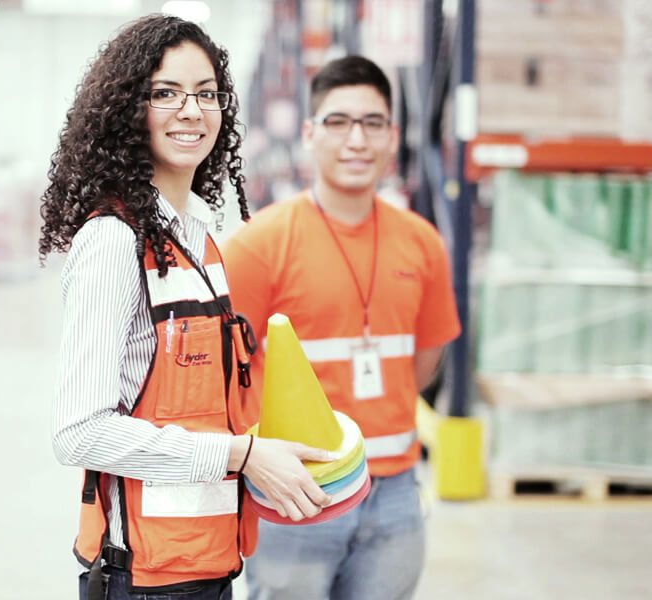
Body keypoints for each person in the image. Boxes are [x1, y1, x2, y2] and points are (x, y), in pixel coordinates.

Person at [39, 15, 339, 600]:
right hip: (145, 578)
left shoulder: (198, 242)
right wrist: (242, 455)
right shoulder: (113, 241)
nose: (192, 110)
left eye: (206, 93)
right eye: (165, 93)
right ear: (128, 109)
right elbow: (78, 433)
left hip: (209, 564)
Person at [221, 55, 462, 600]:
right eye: (338, 122)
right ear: (309, 133)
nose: (357, 139)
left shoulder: (422, 243)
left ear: (393, 136)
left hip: (395, 492)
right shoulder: (261, 244)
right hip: (297, 491)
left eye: (372, 123)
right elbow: (223, 372)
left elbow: (425, 363)